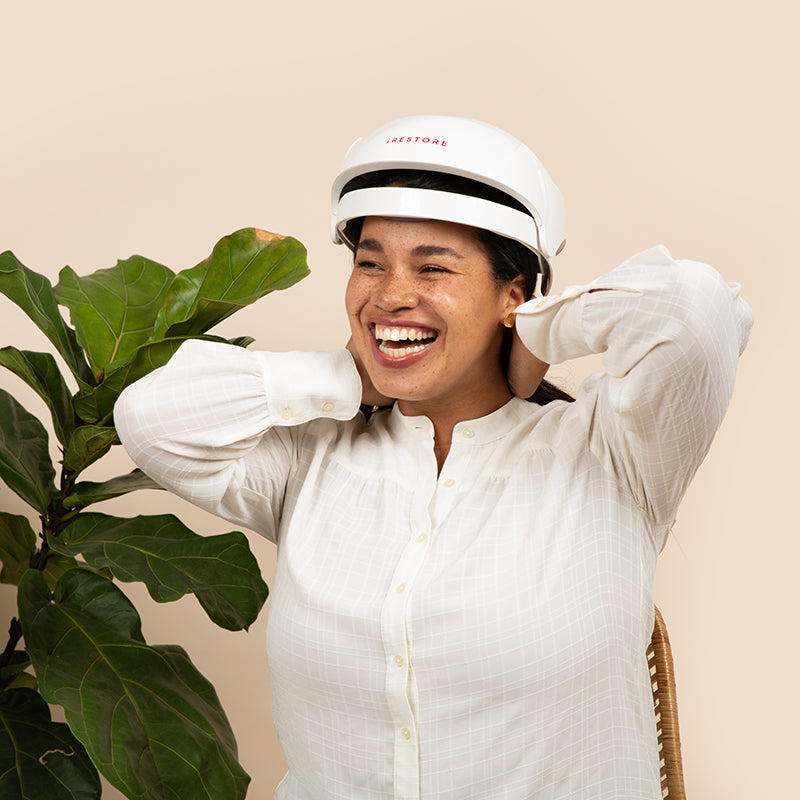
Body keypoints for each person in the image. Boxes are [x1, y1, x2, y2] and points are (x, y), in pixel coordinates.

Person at [114, 115, 753, 800]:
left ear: (514, 291)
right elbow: (148, 417)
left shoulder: (610, 451)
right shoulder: (313, 461)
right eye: (369, 261)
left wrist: (538, 333)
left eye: (433, 267)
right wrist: (347, 378)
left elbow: (694, 309)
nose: (390, 294)